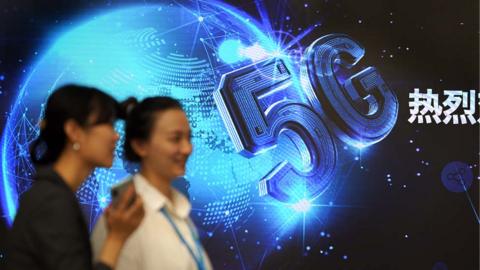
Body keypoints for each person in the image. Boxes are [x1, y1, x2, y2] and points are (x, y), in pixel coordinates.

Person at [5, 84, 144, 270]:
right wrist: (116, 238)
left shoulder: (53, 195)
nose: (116, 136)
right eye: (109, 125)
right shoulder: (51, 202)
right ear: (74, 131)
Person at [91, 97, 212, 270]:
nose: (187, 148)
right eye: (175, 138)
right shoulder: (123, 215)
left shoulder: (178, 209)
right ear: (140, 145)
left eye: (188, 138)